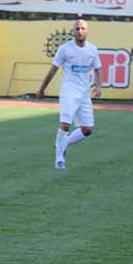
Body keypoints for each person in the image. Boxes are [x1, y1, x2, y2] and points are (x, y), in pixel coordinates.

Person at [35, 19, 102, 170]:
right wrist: (42, 89)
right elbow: (53, 70)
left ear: (87, 30)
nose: (80, 31)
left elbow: (98, 69)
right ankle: (59, 159)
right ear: (73, 31)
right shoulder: (65, 49)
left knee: (87, 130)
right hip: (69, 92)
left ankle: (63, 143)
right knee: (65, 125)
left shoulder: (92, 49)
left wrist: (98, 87)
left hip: (84, 94)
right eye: (77, 29)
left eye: (83, 28)